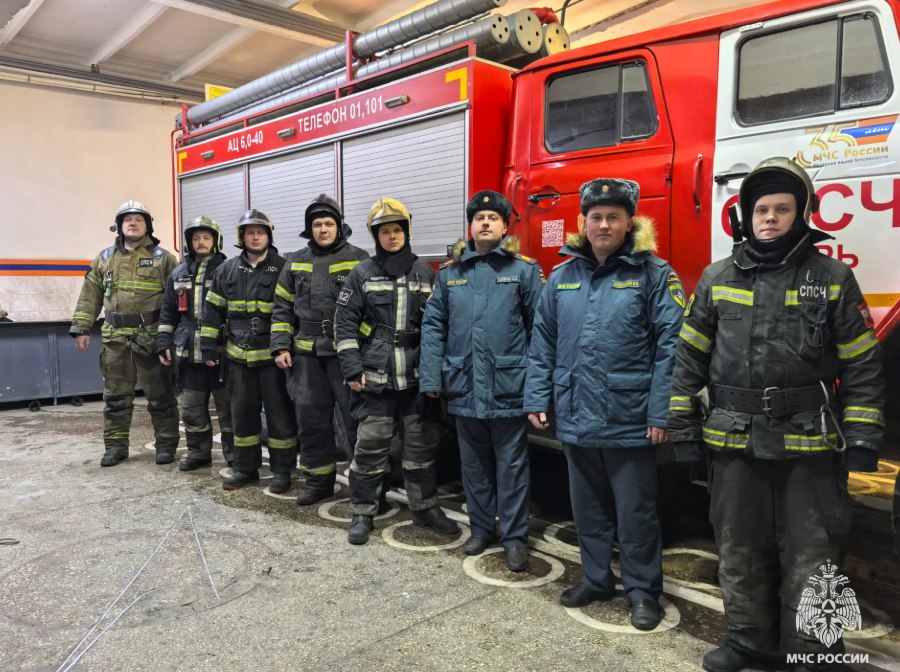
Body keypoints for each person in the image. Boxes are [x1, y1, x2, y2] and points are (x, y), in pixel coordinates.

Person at [667, 157, 883, 672]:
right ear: (745, 216)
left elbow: (861, 364)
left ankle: (813, 651)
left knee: (814, 556)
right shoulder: (717, 278)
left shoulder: (832, 277)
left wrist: (863, 437)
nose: (770, 217)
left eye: (782, 208)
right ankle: (747, 642)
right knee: (739, 551)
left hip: (809, 444)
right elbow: (688, 357)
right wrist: (682, 427)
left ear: (801, 213)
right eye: (761, 209)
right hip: (734, 441)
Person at [524, 178, 684, 630]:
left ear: (629, 222)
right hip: (575, 415)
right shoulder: (561, 278)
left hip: (628, 417)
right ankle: (596, 579)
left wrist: (660, 412)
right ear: (584, 222)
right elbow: (543, 343)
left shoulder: (655, 274)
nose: (604, 224)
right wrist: (537, 396)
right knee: (588, 510)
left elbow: (671, 348)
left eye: (614, 216)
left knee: (636, 513)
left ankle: (641, 591)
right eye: (596, 217)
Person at [420, 190, 544, 572]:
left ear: (505, 226)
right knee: (472, 466)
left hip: (509, 386)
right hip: (463, 385)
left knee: (512, 467)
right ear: (470, 227)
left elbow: (539, 330)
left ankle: (515, 538)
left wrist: (537, 387)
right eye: (479, 218)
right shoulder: (450, 274)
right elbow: (434, 326)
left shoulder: (523, 271)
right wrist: (430, 376)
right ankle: (480, 529)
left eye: (493, 217)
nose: (485, 223)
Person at [334, 197, 459, 545]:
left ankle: (425, 507)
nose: (392, 236)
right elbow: (344, 325)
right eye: (385, 231)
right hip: (375, 377)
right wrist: (351, 368)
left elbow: (438, 326)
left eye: (397, 230)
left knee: (421, 449)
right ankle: (362, 510)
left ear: (406, 232)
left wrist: (435, 374)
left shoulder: (424, 272)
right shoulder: (362, 273)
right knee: (370, 448)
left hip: (417, 378)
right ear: (376, 235)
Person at [271, 194, 369, 505]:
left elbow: (371, 310)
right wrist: (280, 346)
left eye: (329, 223)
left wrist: (360, 349)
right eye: (317, 224)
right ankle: (318, 482)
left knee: (356, 422)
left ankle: (367, 487)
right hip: (306, 357)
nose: (323, 229)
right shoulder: (295, 261)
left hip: (345, 355)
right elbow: (282, 308)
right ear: (308, 228)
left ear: (340, 227)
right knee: (311, 422)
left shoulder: (359, 258)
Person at [70, 200, 180, 467]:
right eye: (127, 219)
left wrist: (171, 338)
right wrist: (82, 327)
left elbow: (175, 301)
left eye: (138, 219)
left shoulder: (164, 258)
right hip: (115, 339)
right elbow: (90, 295)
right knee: (116, 398)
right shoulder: (104, 258)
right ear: (119, 226)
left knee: (161, 396)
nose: (132, 223)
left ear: (148, 226)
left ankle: (166, 446)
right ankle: (116, 447)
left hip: (151, 339)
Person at [200, 209, 297, 493]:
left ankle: (282, 471)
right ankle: (245, 468)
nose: (256, 237)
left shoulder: (283, 267)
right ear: (241, 237)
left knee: (280, 416)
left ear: (269, 236)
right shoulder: (227, 269)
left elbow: (292, 311)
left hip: (272, 357)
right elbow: (212, 310)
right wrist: (208, 346)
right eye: (250, 232)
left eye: (261, 232)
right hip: (238, 356)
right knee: (242, 415)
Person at [158, 216, 234, 471]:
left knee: (228, 410)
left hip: (222, 352)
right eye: (196, 238)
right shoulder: (178, 273)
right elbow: (168, 313)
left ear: (216, 241)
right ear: (189, 242)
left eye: (206, 237)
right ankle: (198, 453)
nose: (201, 242)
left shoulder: (228, 269)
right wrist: (163, 343)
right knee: (191, 409)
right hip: (188, 352)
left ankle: (235, 456)